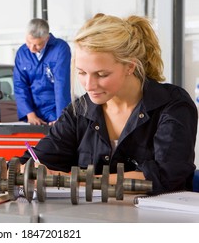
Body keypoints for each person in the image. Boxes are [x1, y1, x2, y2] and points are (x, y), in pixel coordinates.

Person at [20, 13, 197, 195]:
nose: (89, 85)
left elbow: (167, 175)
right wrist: (27, 170)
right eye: (82, 73)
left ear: (130, 66)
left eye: (102, 75)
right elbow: (36, 160)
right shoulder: (79, 111)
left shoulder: (173, 105)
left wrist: (75, 181)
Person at [13, 18, 71, 125]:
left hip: (55, 110)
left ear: (47, 39)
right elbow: (20, 85)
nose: (31, 48)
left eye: (37, 45)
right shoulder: (22, 53)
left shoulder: (60, 49)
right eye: (29, 42)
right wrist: (29, 114)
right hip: (32, 113)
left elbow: (61, 84)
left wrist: (61, 118)